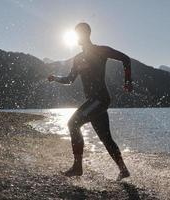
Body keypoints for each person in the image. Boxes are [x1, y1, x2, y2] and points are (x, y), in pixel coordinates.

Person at [48, 22, 133, 180]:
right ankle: (123, 169)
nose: (77, 37)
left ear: (87, 34)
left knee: (72, 124)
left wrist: (127, 81)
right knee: (105, 138)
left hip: (100, 99)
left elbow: (125, 59)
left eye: (79, 34)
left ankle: (77, 167)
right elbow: (70, 79)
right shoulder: (78, 58)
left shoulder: (100, 51)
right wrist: (55, 78)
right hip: (93, 102)